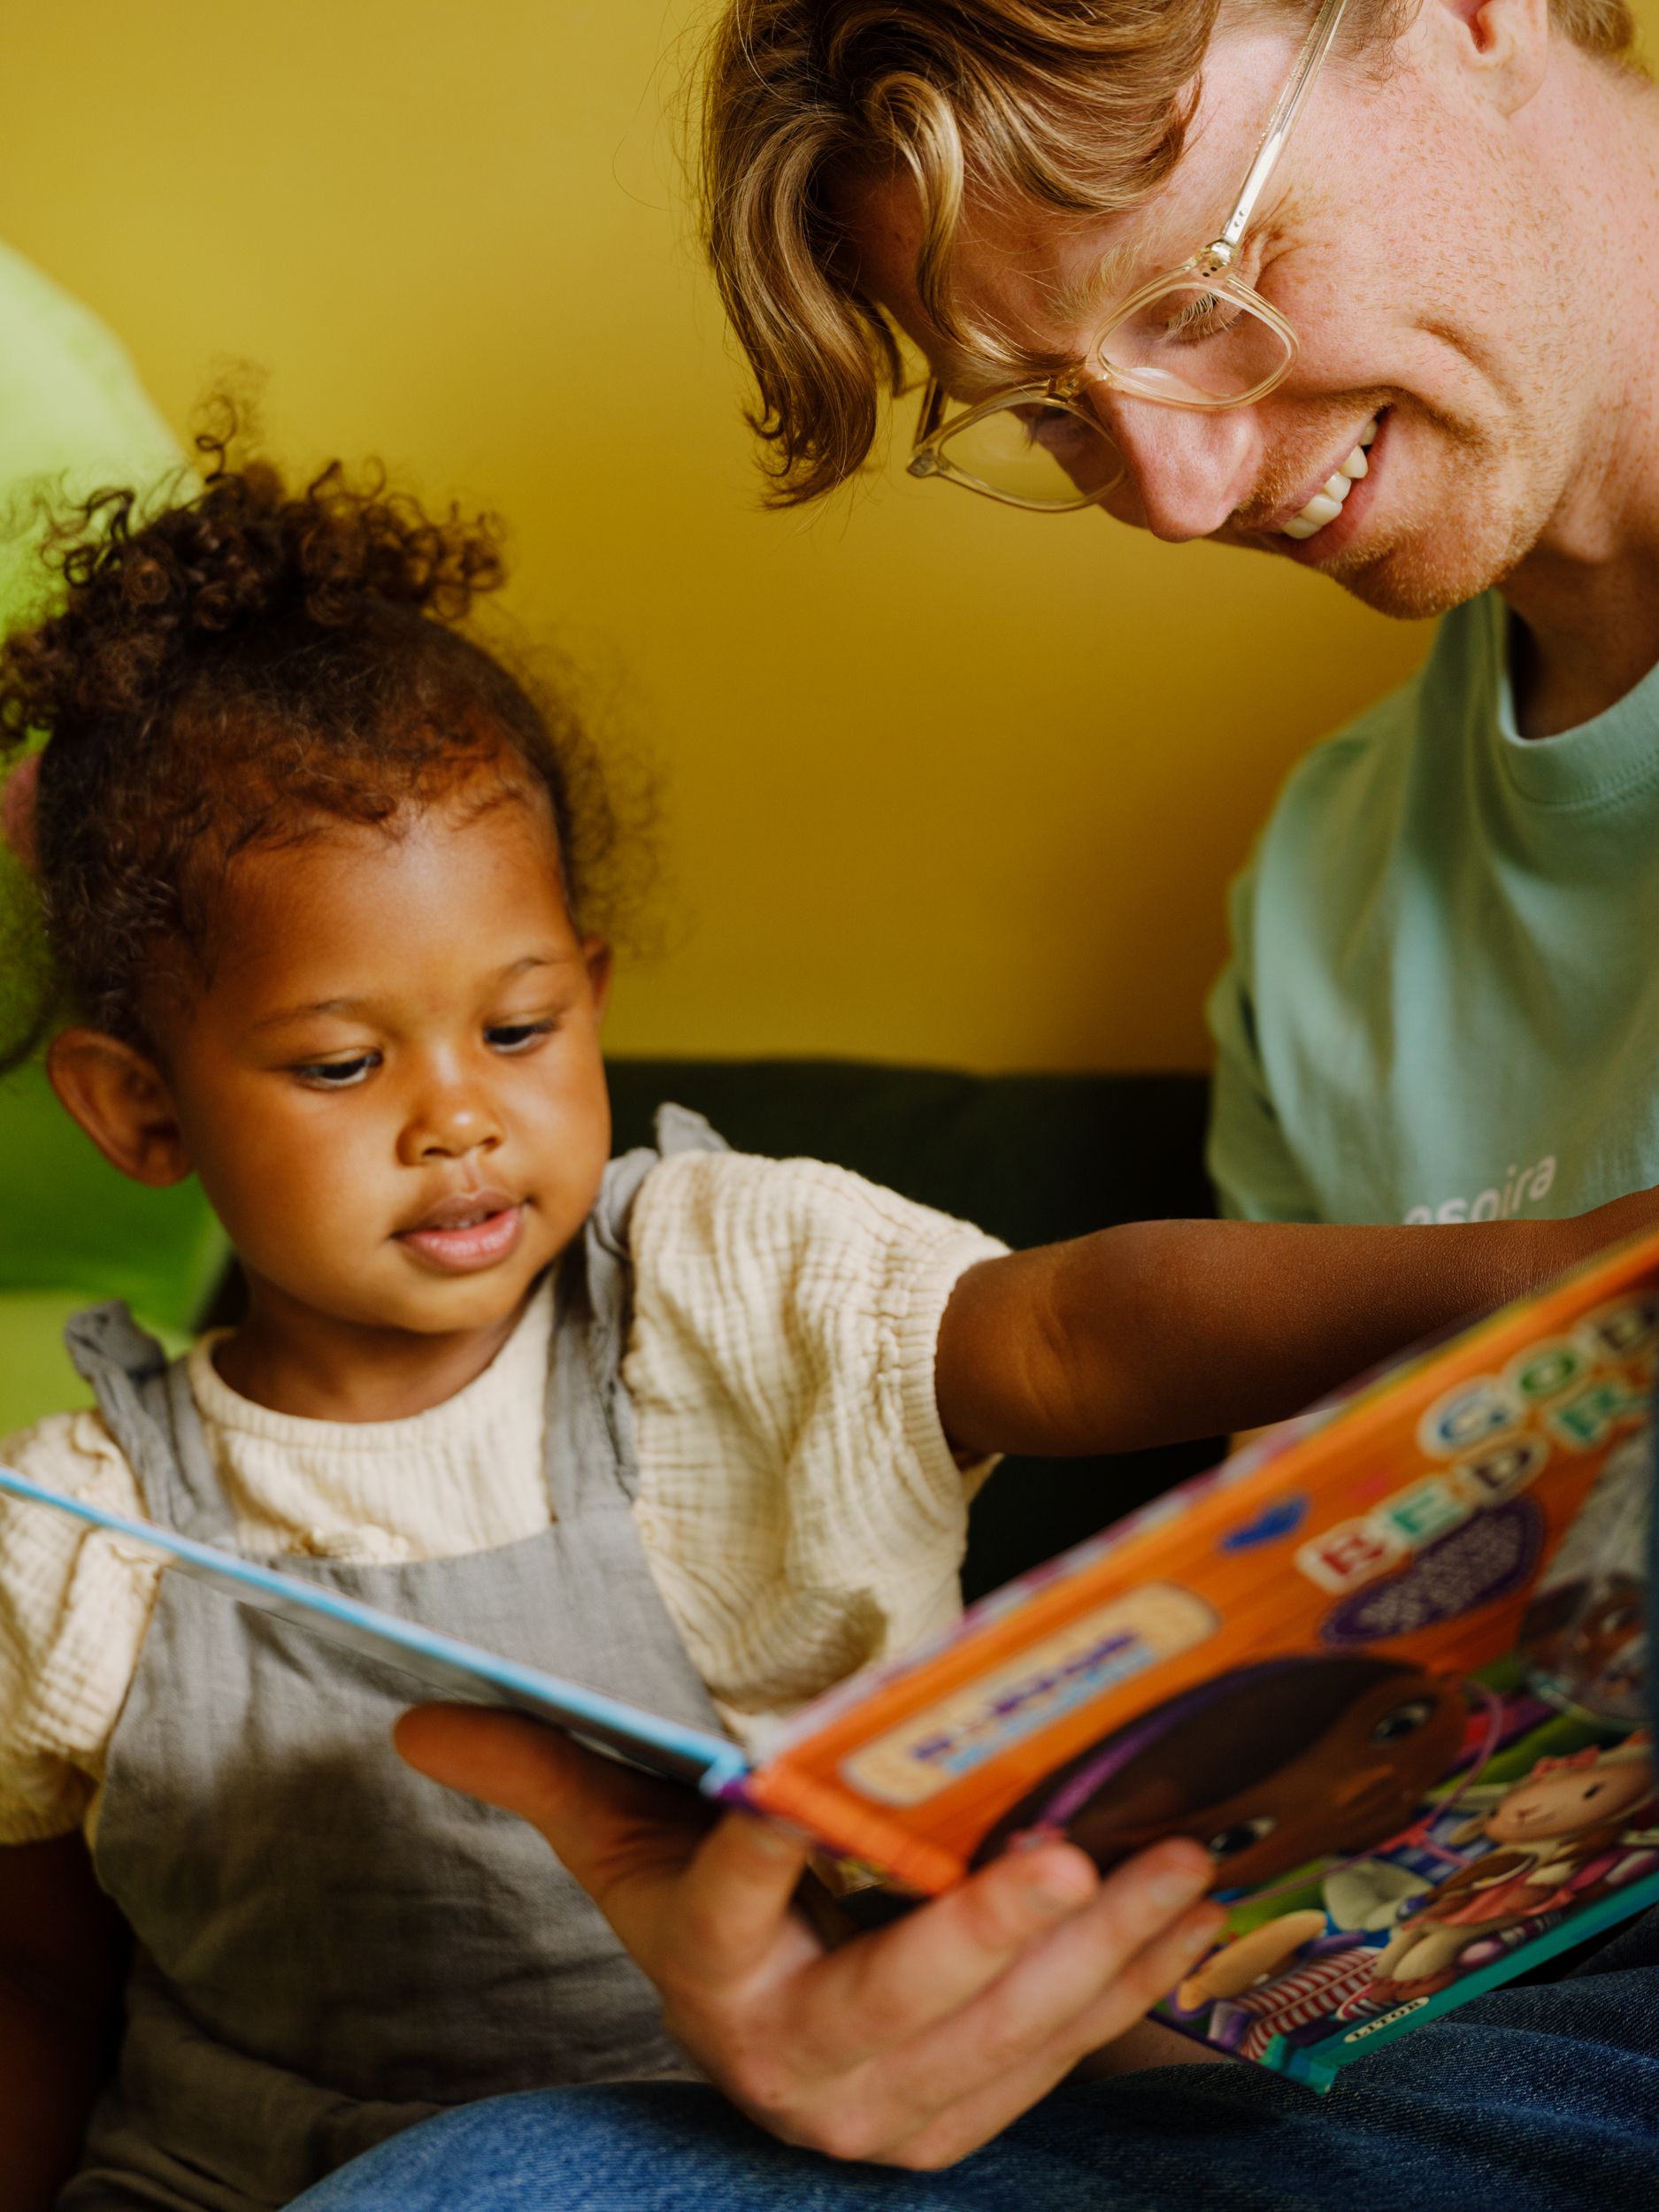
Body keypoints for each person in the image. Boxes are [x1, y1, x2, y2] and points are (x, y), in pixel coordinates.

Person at [288, 0, 1659, 2199]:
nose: (1181, 493)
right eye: (1051, 409)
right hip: (1496, 2024)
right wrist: (930, 1993)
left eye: (1203, 296)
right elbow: (1329, 1775)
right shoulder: (1327, 894)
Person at [2, 432, 1616, 2212]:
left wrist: (1539, 1270)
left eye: (519, 1030)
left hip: (780, 2157)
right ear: (140, 1107)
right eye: (340, 1061)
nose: (457, 1113)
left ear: (593, 997)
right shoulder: (74, 1540)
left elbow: (1078, 1324)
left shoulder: (727, 1288)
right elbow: (38, 1980)